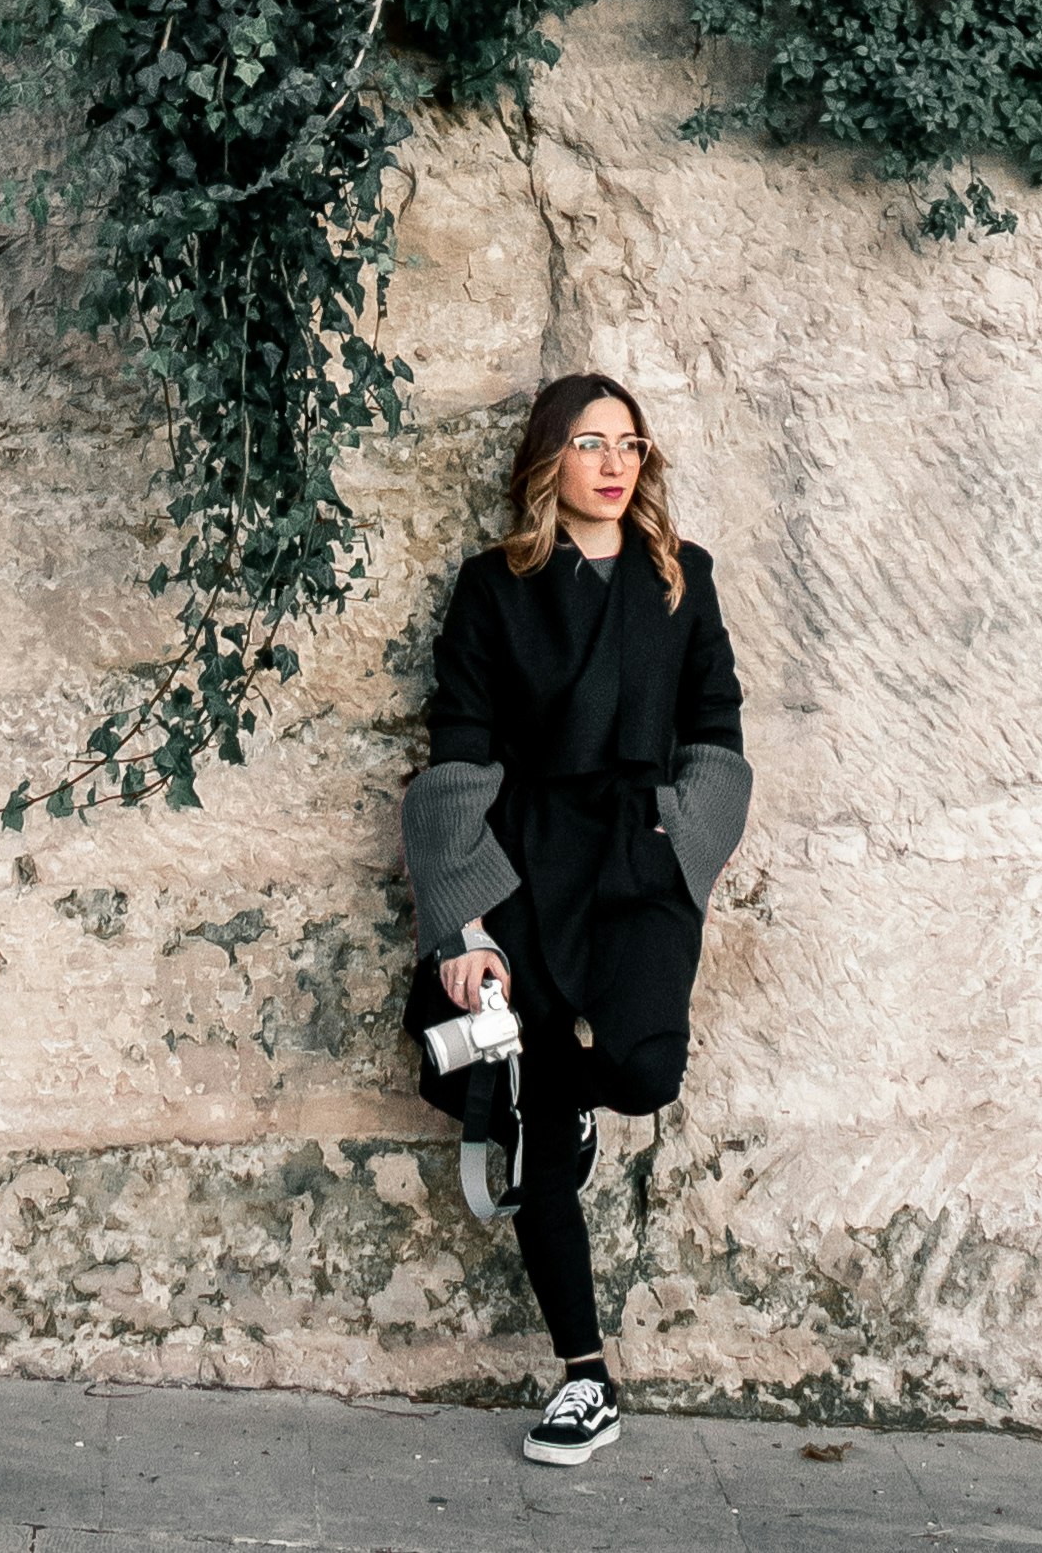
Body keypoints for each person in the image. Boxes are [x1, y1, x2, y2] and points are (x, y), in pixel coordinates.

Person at [399, 372, 749, 1469]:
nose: (613, 463)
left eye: (630, 445)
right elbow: (456, 749)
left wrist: (682, 846)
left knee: (643, 1069)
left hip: (639, 856)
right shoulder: (493, 587)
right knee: (538, 1119)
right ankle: (583, 1379)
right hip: (528, 862)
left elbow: (716, 730)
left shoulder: (679, 580)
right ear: (548, 459)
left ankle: (566, 1091)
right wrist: (466, 927)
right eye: (590, 443)